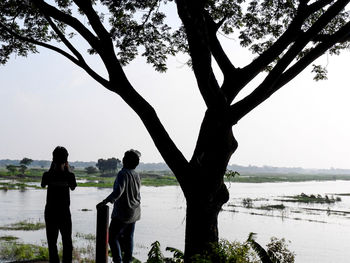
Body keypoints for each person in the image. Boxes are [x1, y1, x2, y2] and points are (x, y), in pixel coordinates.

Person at [97, 149, 141, 263]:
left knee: (112, 237)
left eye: (124, 158)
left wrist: (105, 201)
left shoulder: (123, 173)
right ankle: (128, 261)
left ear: (125, 161)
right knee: (129, 237)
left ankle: (118, 260)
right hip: (135, 211)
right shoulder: (136, 174)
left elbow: (118, 192)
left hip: (123, 212)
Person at [41, 146, 77, 263]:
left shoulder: (47, 175)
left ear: (53, 159)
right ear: (66, 160)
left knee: (52, 243)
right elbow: (73, 187)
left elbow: (43, 184)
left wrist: (52, 168)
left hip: (50, 213)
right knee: (67, 242)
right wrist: (67, 169)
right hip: (64, 214)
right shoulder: (69, 176)